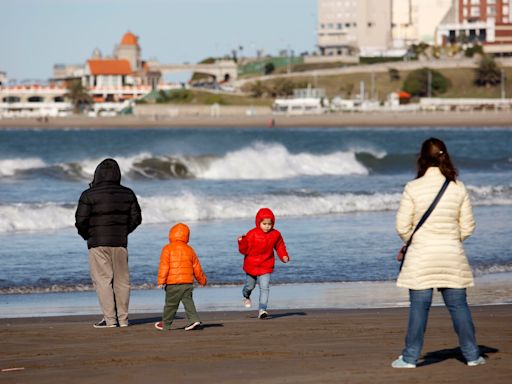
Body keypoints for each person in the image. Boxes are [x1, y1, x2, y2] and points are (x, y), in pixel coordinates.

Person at [391, 138, 485, 368]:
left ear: (422, 158)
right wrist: (452, 239)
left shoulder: (412, 187)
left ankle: (410, 358)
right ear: (444, 156)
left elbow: (402, 226)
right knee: (459, 307)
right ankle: (472, 356)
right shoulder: (458, 187)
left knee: (419, 308)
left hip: (421, 256)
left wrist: (412, 241)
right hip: (451, 254)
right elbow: (468, 226)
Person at [75, 158, 142, 328]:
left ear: (97, 174)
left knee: (103, 281)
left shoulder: (88, 194)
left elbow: (80, 220)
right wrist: (124, 232)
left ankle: (111, 320)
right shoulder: (128, 193)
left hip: (97, 242)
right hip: (119, 242)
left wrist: (88, 236)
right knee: (122, 281)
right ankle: (124, 319)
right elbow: (136, 218)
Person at [238, 208, 289, 319]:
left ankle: (262, 310)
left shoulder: (276, 234)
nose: (267, 226)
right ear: (258, 222)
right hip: (251, 264)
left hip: (266, 264)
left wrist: (283, 256)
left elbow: (280, 246)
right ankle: (246, 296)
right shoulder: (252, 234)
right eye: (264, 223)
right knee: (249, 286)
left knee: (264, 287)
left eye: (269, 224)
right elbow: (244, 251)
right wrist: (241, 242)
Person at [154, 223, 207, 331]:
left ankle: (166, 324)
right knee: (188, 302)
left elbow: (164, 266)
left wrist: (161, 281)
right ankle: (194, 320)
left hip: (173, 284)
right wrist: (202, 280)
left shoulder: (167, 248)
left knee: (171, 305)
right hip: (187, 283)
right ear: (187, 236)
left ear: (171, 235)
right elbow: (196, 267)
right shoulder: (189, 249)